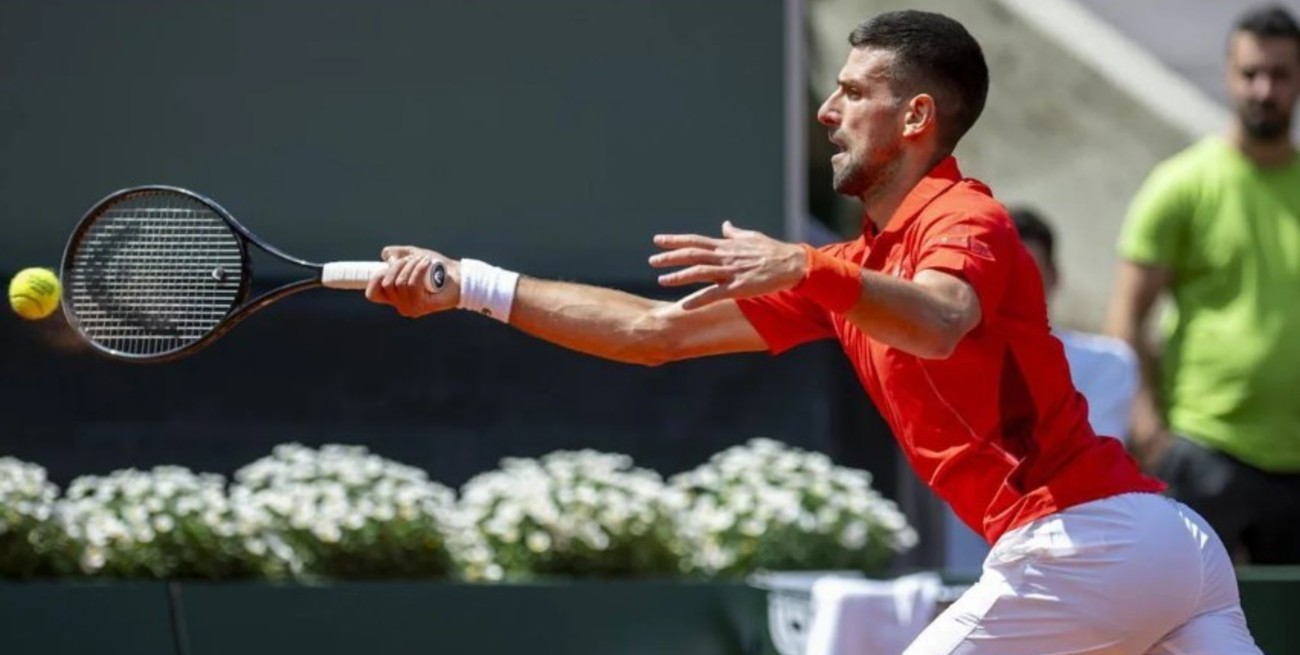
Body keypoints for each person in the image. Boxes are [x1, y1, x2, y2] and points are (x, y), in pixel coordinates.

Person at [369, 11, 1261, 654]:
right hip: (1165, 552)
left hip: (1088, 542)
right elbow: (652, 333)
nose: (827, 111)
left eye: (852, 92)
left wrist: (807, 267)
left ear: (916, 119)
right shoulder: (855, 269)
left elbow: (943, 320)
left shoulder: (964, 219)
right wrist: (471, 286)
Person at [1107, 3, 1300, 565]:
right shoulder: (1182, 184)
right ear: (1228, 75)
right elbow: (1126, 317)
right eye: (1250, 74)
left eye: (1281, 75)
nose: (1264, 90)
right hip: (1203, 447)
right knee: (1183, 633)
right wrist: (1151, 436)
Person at [1010, 207, 1139, 444]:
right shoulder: (951, 370)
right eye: (1001, 275)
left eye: (1028, 274)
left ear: (1054, 276)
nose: (1014, 289)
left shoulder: (1110, 363)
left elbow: (1091, 463)